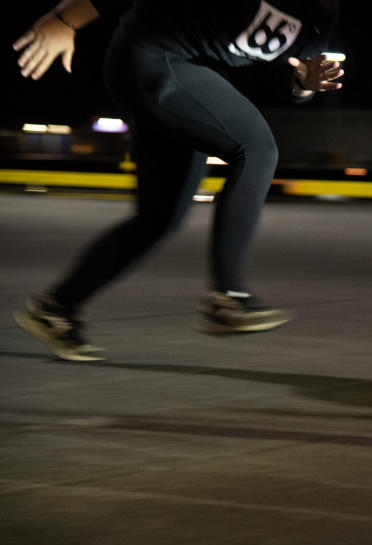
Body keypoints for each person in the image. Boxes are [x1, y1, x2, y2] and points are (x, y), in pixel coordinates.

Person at [12, 0, 344, 361]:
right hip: (151, 54)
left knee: (160, 218)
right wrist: (66, 20)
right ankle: (228, 298)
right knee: (257, 149)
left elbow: (293, 78)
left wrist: (304, 85)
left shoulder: (320, 17)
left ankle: (56, 309)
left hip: (180, 73)